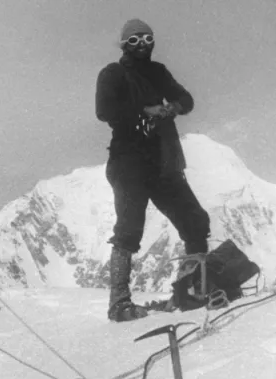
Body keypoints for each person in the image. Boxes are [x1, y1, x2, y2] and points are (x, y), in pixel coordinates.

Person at [95, 19, 211, 322]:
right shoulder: (113, 74)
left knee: (194, 220)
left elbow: (186, 99)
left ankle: (191, 292)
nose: (142, 44)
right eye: (134, 40)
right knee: (129, 228)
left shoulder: (158, 73)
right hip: (130, 161)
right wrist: (145, 110)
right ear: (124, 45)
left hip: (160, 160)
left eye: (147, 38)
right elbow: (104, 110)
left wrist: (174, 107)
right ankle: (119, 304)